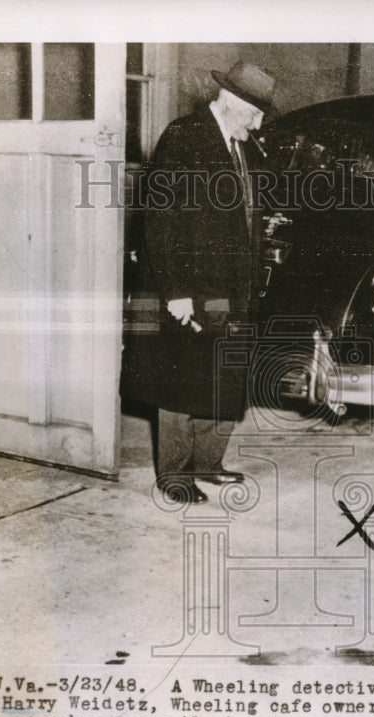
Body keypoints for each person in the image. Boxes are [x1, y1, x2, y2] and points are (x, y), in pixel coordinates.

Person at [130, 61, 275, 505]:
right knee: (181, 377)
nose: (259, 122)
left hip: (231, 286)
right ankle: (174, 475)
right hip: (190, 285)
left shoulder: (241, 146)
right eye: (254, 113)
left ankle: (208, 463)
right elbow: (161, 222)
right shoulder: (184, 138)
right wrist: (176, 293)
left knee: (226, 372)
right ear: (232, 103)